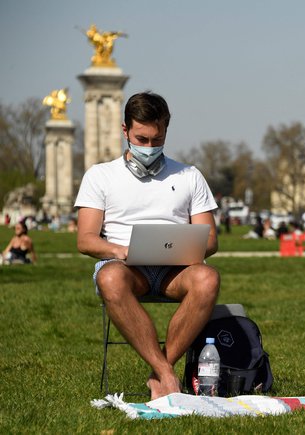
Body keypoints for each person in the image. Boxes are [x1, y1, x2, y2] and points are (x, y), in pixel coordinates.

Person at [74, 92, 220, 400]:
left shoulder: (190, 175)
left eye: (157, 139)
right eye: (141, 139)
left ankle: (159, 375)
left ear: (166, 130)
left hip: (175, 271)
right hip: (126, 268)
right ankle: (166, 374)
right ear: (125, 131)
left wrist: (184, 248)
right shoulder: (100, 176)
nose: (149, 147)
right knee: (110, 278)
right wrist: (120, 251)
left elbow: (209, 239)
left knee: (208, 278)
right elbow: (86, 239)